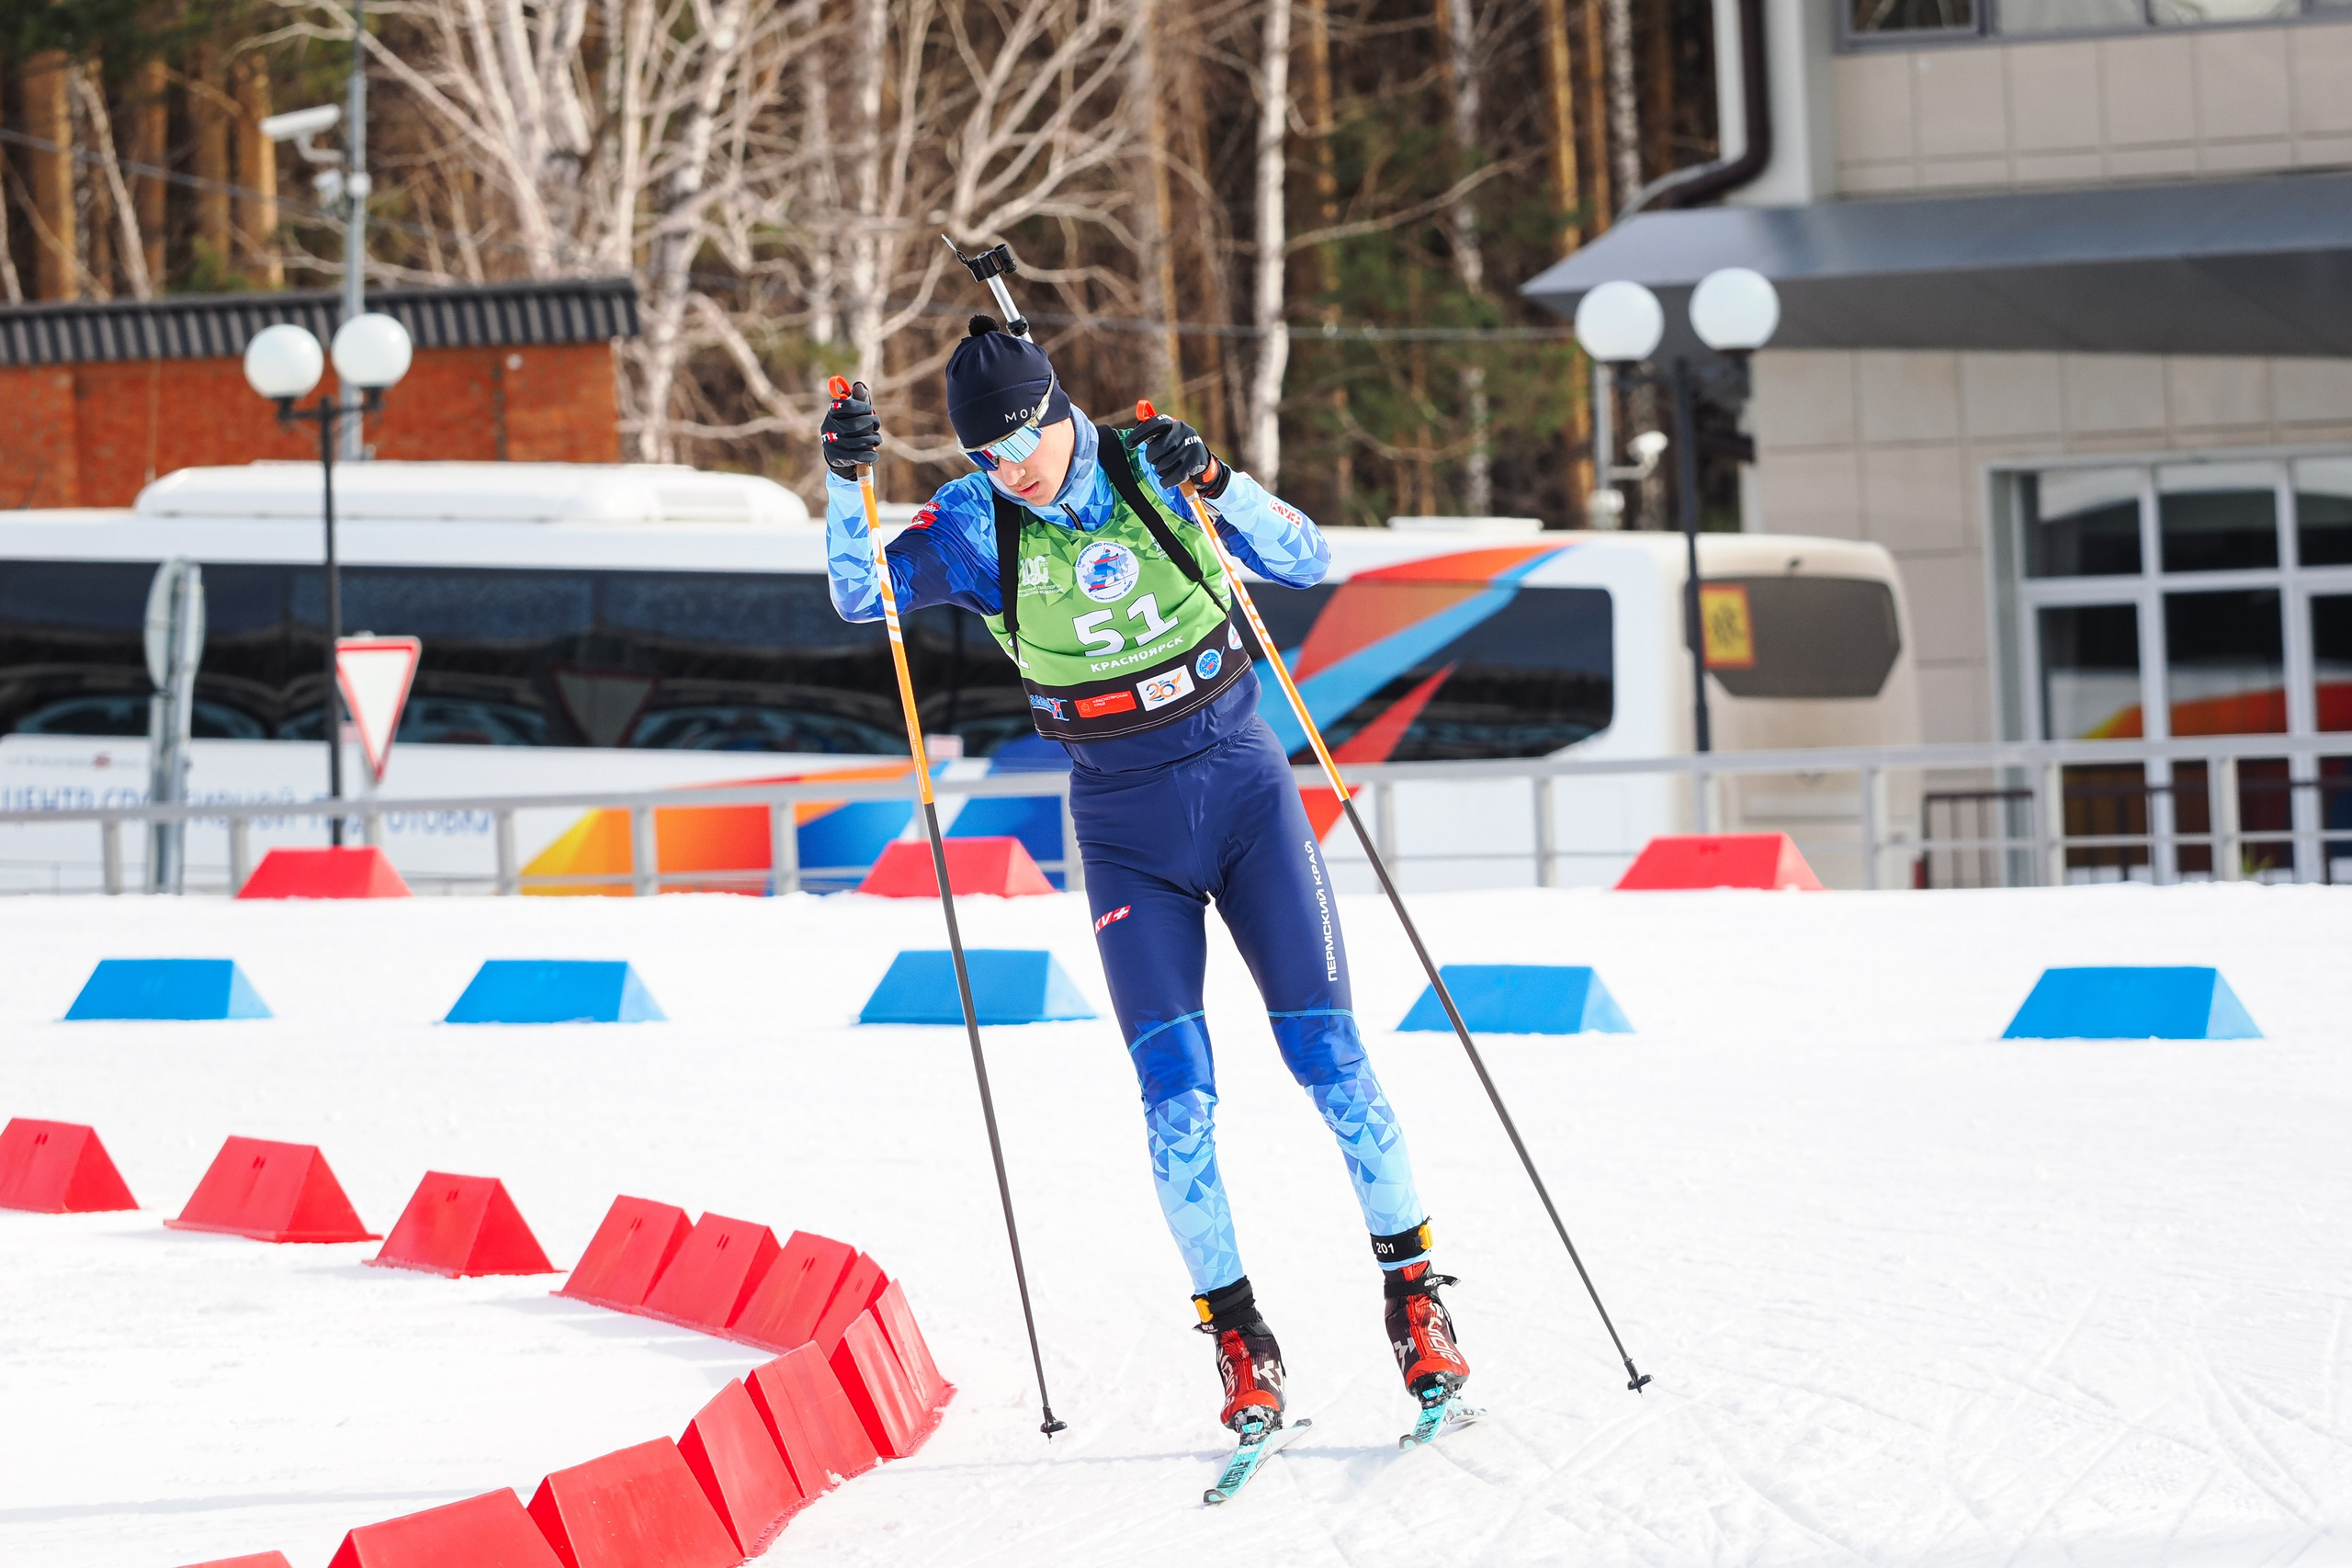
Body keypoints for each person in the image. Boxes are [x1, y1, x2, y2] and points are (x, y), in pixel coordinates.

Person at [820, 317, 1470, 1434]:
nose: (1009, 467)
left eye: (1021, 438)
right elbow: (859, 597)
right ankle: (1238, 1339)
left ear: (1055, 407)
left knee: (1332, 1062)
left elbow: (1308, 557)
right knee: (1176, 1106)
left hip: (1245, 792)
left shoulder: (1150, 466)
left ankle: (1413, 1298)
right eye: (985, 453)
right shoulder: (981, 523)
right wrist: (843, 483)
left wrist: (1219, 478)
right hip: (1122, 825)